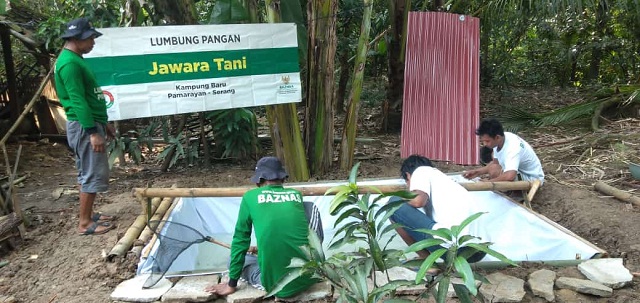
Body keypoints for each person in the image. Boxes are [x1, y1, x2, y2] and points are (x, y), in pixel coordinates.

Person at [206, 157, 320, 299]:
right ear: (283, 179)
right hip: (310, 276)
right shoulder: (296, 195)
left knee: (233, 261)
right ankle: (319, 267)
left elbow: (240, 241)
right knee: (309, 207)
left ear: (258, 181)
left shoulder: (250, 197)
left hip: (279, 286)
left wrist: (231, 284)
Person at [55, 18, 116, 235]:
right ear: (75, 39)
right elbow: (78, 100)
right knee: (92, 173)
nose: (93, 41)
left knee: (86, 172)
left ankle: (89, 215)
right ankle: (84, 223)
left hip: (88, 123)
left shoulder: (74, 59)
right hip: (84, 127)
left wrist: (103, 123)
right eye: (89, 38)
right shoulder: (70, 63)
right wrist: (92, 132)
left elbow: (88, 98)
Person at [390, 155, 485, 263]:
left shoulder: (420, 171)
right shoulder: (444, 181)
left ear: (408, 175)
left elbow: (418, 201)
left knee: (394, 204)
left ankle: (426, 262)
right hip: (479, 250)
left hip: (456, 250)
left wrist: (400, 195)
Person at [463, 119, 544, 184]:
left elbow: (510, 176)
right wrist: (477, 172)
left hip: (532, 179)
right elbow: (495, 163)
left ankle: (515, 195)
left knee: (495, 171)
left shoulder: (513, 148)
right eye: (483, 141)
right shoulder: (501, 138)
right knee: (494, 168)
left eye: (487, 141)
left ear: (497, 137)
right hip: (520, 172)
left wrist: (487, 183)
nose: (485, 144)